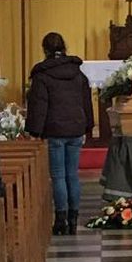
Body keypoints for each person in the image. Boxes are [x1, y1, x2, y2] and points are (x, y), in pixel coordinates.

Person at [26, 31, 94, 236]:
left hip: (54, 130)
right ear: (64, 47)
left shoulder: (42, 75)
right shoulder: (78, 73)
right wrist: (88, 126)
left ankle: (61, 219)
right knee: (72, 174)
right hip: (75, 128)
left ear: (44, 49)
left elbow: (39, 106)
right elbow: (86, 102)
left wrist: (34, 131)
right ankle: (74, 219)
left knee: (58, 176)